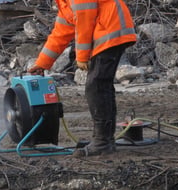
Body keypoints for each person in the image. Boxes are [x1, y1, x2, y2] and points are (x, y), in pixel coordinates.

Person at [28, 0, 137, 157]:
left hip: (110, 30)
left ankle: (102, 142)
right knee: (101, 85)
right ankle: (105, 140)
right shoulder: (64, 3)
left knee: (96, 86)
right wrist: (42, 63)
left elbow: (85, 18)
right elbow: (61, 32)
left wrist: (82, 56)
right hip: (108, 30)